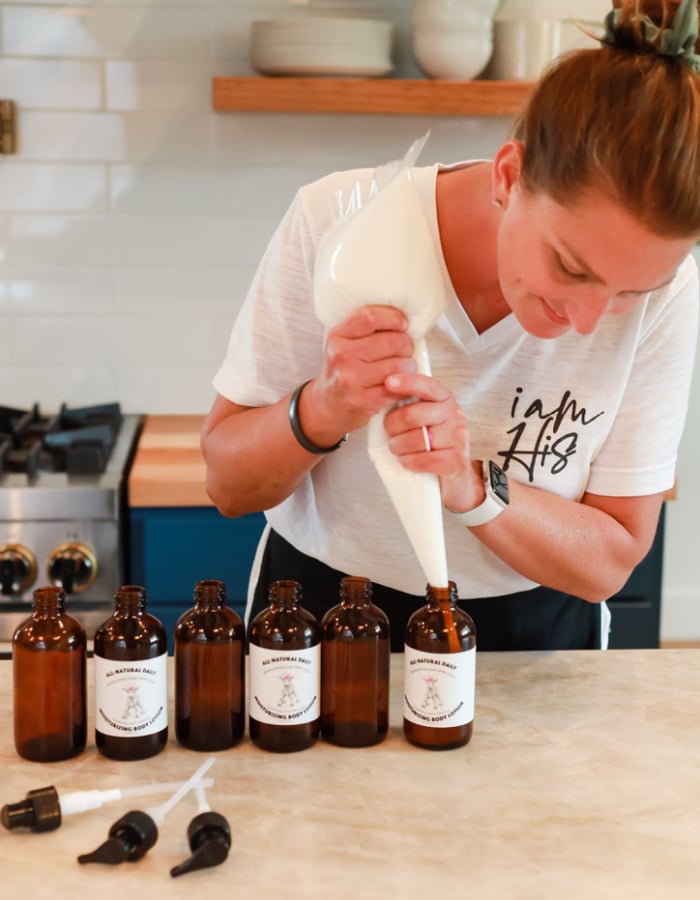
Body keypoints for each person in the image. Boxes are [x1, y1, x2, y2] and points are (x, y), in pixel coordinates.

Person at [202, 0, 700, 652]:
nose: (586, 322)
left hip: (535, 638)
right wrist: (328, 404)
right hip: (325, 618)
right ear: (509, 175)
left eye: (631, 291)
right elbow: (228, 486)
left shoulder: (674, 292)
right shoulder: (340, 222)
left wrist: (469, 483)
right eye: (570, 267)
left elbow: (609, 561)